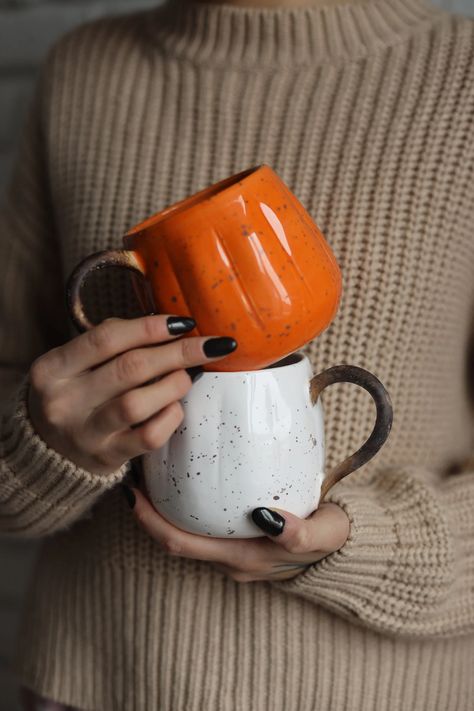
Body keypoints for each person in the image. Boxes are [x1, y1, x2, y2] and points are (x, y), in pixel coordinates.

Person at [1, 0, 473, 708]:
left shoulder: (461, 73)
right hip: (95, 681)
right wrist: (47, 445)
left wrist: (367, 543)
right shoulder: (83, 71)